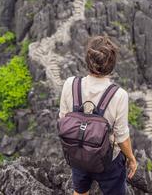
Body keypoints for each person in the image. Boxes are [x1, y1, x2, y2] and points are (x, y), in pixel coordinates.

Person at [59, 35, 137, 195]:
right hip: (108, 161)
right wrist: (131, 158)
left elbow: (63, 119)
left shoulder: (70, 84)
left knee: (80, 191)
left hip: (78, 154)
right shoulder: (119, 95)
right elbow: (121, 136)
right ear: (112, 65)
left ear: (87, 60)